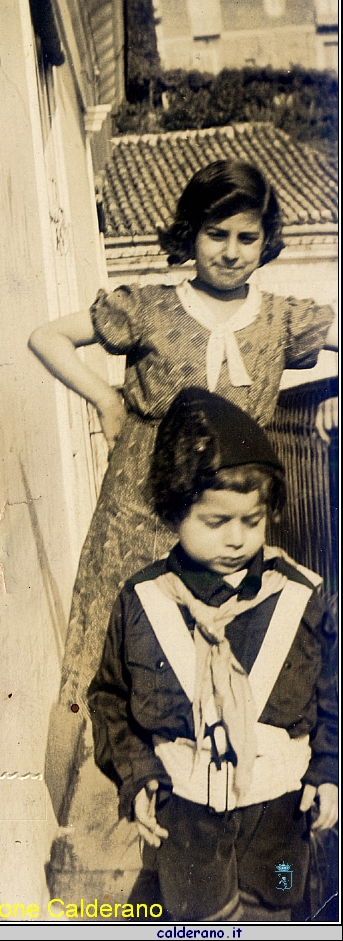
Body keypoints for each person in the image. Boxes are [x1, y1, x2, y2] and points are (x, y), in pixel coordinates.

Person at [29, 160, 337, 728]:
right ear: (190, 233)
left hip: (229, 519)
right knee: (110, 655)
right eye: (215, 234)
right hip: (137, 510)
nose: (231, 251)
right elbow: (45, 337)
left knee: (222, 659)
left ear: (266, 242)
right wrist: (106, 398)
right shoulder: (145, 308)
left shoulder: (282, 320)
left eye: (247, 237)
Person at [88, 388, 338, 922]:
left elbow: (332, 694)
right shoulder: (142, 601)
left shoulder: (300, 597)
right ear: (174, 511)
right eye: (215, 522)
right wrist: (137, 776)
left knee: (277, 906)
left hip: (279, 819)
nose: (236, 540)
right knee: (201, 921)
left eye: (252, 520)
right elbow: (109, 699)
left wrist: (329, 771)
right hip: (186, 821)